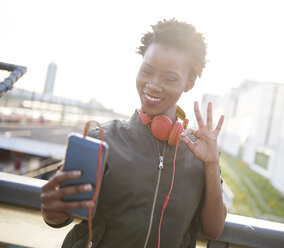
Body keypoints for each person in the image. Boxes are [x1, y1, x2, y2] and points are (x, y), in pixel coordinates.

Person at [41, 18, 226, 248]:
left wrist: (211, 164)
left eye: (169, 78)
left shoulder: (200, 155)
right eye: (146, 71)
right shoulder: (102, 138)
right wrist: (53, 212)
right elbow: (61, 215)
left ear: (188, 83)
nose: (153, 85)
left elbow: (213, 230)